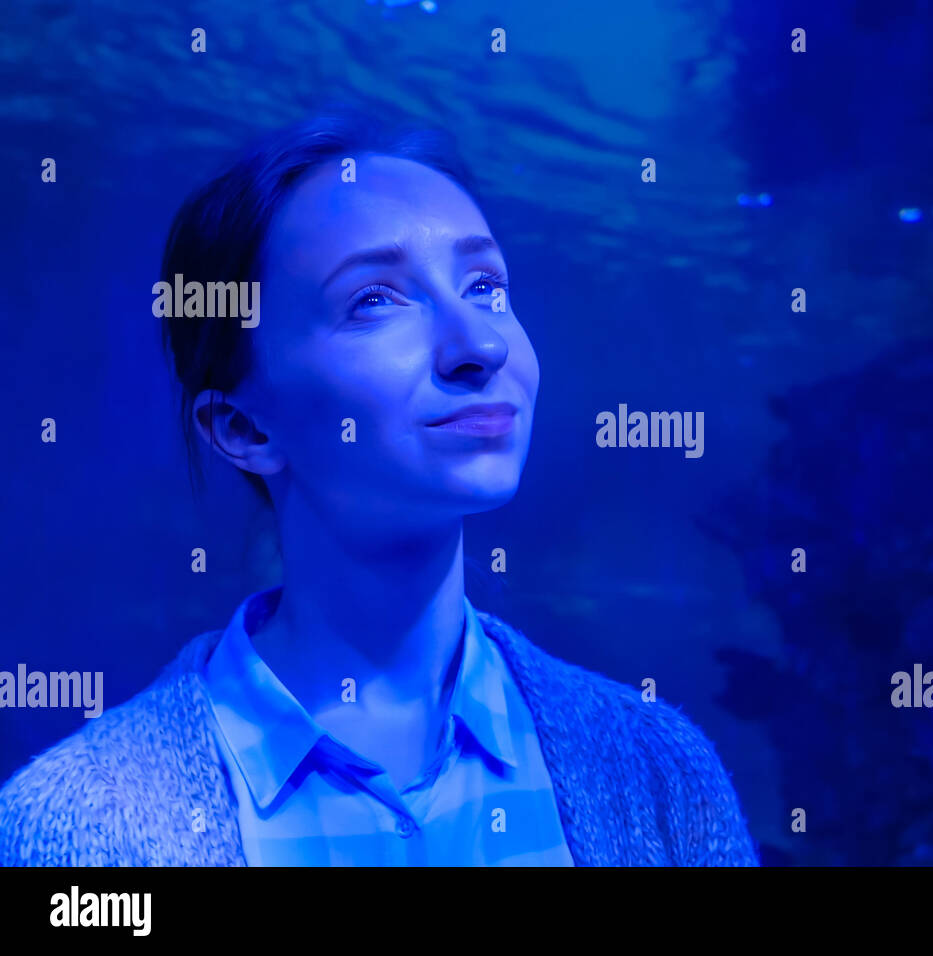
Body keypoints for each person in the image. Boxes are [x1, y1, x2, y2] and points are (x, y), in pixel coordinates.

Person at [0, 109, 759, 866]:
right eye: (374, 300)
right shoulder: (74, 833)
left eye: (486, 285)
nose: (481, 344)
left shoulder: (662, 774)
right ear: (243, 428)